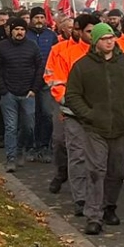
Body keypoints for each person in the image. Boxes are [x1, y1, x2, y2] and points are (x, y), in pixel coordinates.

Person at [64, 21, 124, 235]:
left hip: (121, 126)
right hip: (95, 128)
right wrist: (89, 115)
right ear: (95, 42)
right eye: (104, 38)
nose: (109, 41)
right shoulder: (82, 66)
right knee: (95, 171)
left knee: (117, 171)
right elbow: (72, 95)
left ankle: (110, 206)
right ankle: (94, 216)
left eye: (111, 37)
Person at [0, 16, 45, 170]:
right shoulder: (1, 47)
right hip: (9, 94)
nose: (19, 32)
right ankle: (10, 158)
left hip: (28, 93)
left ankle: (20, 148)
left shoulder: (32, 46)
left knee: (29, 127)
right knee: (11, 127)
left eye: (22, 30)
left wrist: (34, 89)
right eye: (16, 29)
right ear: (11, 31)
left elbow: (40, 68)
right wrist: (3, 90)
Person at [43, 19, 91, 197]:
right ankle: (61, 171)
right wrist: (64, 98)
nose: (75, 31)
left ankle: (84, 188)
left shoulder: (96, 51)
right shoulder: (59, 50)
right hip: (64, 104)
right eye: (72, 28)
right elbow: (50, 75)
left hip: (90, 107)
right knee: (60, 141)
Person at [27, 9, 56, 161]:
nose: (39, 20)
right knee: (30, 116)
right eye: (36, 17)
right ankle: (31, 146)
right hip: (28, 81)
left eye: (41, 17)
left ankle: (45, 146)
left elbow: (56, 57)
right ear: (31, 19)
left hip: (45, 82)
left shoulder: (51, 36)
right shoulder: (25, 34)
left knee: (47, 114)